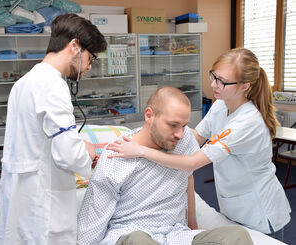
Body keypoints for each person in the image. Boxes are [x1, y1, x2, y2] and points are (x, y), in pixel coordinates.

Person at [107, 48, 291, 242]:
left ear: (245, 86)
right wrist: (154, 139)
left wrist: (142, 151)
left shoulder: (247, 122)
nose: (213, 84)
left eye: (222, 81)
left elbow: (192, 162)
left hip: (260, 212)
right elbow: (194, 138)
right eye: (214, 76)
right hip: (233, 204)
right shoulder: (221, 104)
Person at [78, 86, 254, 245]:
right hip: (130, 234)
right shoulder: (116, 156)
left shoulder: (185, 142)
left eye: (184, 126)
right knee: (139, 241)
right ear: (149, 116)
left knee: (237, 236)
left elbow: (188, 176)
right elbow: (94, 216)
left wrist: (193, 227)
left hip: (175, 235)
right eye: (173, 125)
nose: (180, 134)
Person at [0, 14, 107, 244]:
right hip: (43, 206)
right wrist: (88, 150)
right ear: (74, 46)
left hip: (22, 198)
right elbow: (69, 154)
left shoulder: (24, 82)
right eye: (91, 57)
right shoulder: (53, 85)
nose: (89, 66)